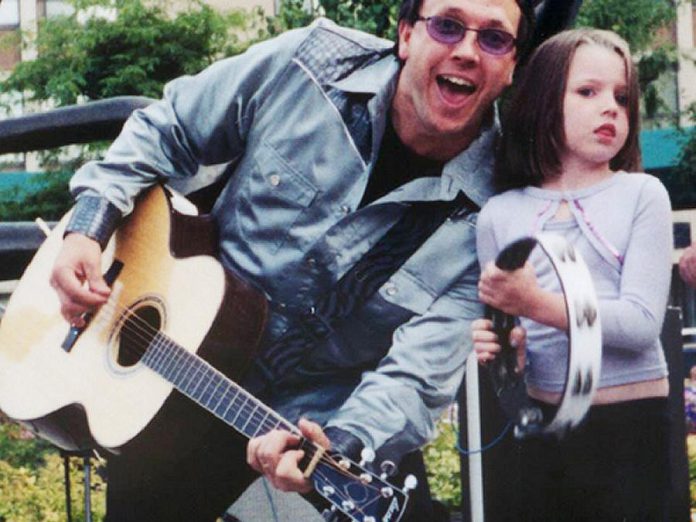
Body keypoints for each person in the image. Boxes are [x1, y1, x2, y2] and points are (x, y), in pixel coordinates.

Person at [48, 0, 540, 520]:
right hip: (175, 369)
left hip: (316, 416)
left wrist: (341, 445)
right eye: (447, 25)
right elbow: (168, 128)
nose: (465, 50)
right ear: (406, 35)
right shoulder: (309, 62)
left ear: (510, 68)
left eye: (493, 38)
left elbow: (415, 377)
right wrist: (88, 230)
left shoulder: (497, 214)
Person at [472, 28, 673, 521]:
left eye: (622, 98)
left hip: (633, 426)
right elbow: (509, 346)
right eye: (588, 92)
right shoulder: (498, 214)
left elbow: (642, 323)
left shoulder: (643, 195)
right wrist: (505, 351)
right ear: (542, 102)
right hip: (546, 428)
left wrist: (536, 304)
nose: (610, 107)